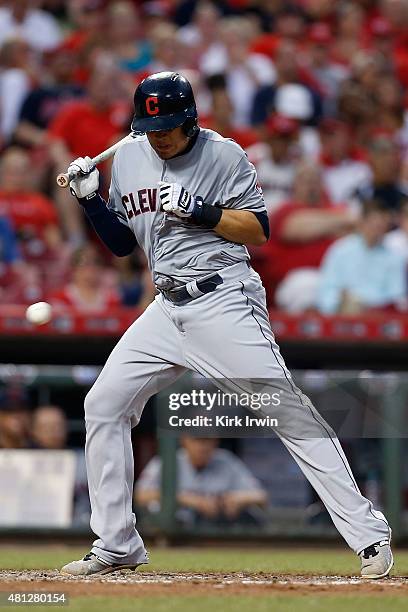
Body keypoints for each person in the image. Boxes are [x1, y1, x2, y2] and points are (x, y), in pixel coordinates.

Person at [60, 72, 393, 579]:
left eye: (169, 126)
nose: (160, 135)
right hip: (165, 307)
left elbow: (258, 229)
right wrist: (91, 202)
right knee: (103, 404)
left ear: (191, 119)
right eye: (151, 126)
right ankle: (116, 542)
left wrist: (201, 210)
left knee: (287, 413)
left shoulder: (225, 155)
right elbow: (126, 245)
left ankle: (369, 535)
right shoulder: (128, 154)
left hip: (222, 299)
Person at [135, 436, 267, 525]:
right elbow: (140, 495)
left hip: (217, 531)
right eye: (197, 440)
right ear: (184, 440)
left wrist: (238, 499)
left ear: (215, 441)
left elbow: (261, 497)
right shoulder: (168, 460)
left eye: (207, 440)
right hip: (176, 532)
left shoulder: (226, 461)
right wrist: (185, 499)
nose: (202, 447)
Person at [317, 199, 407, 314]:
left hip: (377, 319)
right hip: (341, 315)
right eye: (373, 224)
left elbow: (396, 297)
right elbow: (326, 290)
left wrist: (368, 307)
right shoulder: (340, 250)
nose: (376, 230)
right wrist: (338, 304)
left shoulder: (395, 257)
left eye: (381, 225)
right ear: (362, 222)